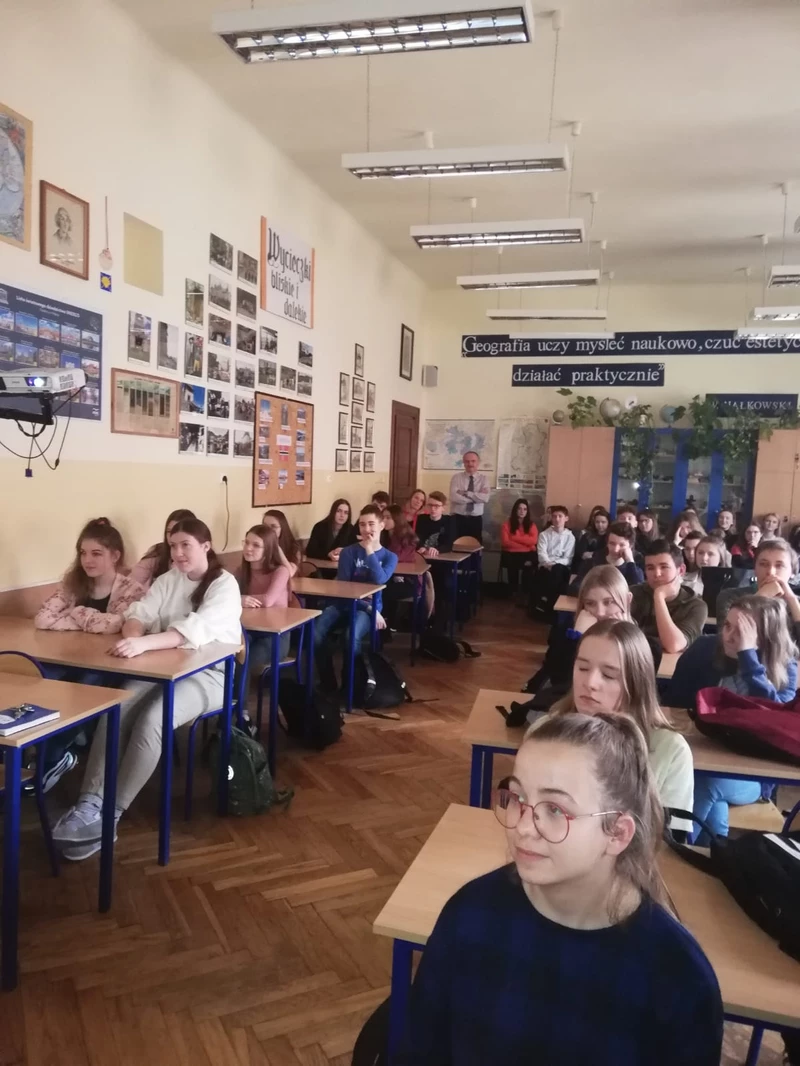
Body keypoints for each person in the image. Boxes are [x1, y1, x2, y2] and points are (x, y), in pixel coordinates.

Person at [397, 712, 721, 1066]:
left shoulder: (677, 977)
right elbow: (421, 1051)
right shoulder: (470, 915)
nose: (523, 827)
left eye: (554, 809)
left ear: (617, 833)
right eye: (517, 798)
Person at [52, 518, 242, 861]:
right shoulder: (169, 579)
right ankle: (90, 802)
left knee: (154, 719)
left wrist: (143, 645)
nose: (178, 552)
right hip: (162, 667)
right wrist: (135, 633)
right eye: (173, 545)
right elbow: (139, 613)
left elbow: (191, 631)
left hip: (210, 675)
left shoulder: (224, 584)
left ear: (205, 546)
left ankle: (111, 814)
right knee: (118, 706)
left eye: (186, 545)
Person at [668, 597, 798, 843]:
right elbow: (675, 703)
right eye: (727, 626)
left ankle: (677, 845)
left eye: (742, 632)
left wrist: (748, 658)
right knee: (711, 803)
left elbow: (774, 716)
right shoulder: (706, 649)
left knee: (706, 784)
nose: (728, 636)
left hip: (753, 776)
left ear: (766, 637)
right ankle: (713, 852)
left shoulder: (786, 668)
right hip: (703, 755)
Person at [552, 620, 694, 826]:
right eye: (582, 668)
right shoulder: (546, 732)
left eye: (608, 675)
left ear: (636, 683)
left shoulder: (670, 751)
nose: (590, 683)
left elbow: (671, 838)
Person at [313, 505, 397, 692]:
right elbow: (344, 590)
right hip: (347, 604)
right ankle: (328, 683)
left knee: (351, 636)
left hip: (368, 607)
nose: (366, 529)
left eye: (371, 524)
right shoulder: (348, 552)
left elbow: (380, 579)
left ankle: (351, 685)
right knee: (315, 633)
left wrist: (369, 551)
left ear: (381, 526)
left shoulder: (390, 557)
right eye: (362, 525)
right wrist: (371, 610)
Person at [521, 565, 633, 704]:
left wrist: (626, 639)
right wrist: (576, 638)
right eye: (590, 603)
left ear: (627, 600)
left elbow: (633, 691)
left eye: (609, 602)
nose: (600, 612)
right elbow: (559, 680)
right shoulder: (570, 631)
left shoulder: (642, 643)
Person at [35, 517, 145, 633]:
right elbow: (42, 618)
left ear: (115, 556)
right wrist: (92, 623)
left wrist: (76, 612)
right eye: (83, 553)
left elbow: (114, 625)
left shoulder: (132, 590)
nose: (87, 560)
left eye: (96, 554)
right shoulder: (73, 583)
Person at [630, 539, 708, 653]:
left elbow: (673, 645)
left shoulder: (696, 606)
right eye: (650, 568)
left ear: (681, 571)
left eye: (664, 567)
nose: (657, 574)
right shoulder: (634, 594)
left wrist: (659, 597)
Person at [236, 523, 293, 662]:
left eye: (256, 545)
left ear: (268, 549)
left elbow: (268, 600)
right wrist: (239, 599)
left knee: (245, 661)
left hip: (275, 635)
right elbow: (227, 597)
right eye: (246, 543)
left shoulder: (281, 571)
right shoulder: (241, 571)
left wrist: (240, 599)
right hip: (248, 629)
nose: (248, 548)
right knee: (230, 657)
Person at [717, 537, 800, 629]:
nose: (771, 572)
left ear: (792, 572)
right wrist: (760, 597)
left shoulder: (796, 603)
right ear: (755, 569)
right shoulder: (730, 596)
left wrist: (792, 600)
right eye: (763, 564)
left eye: (779, 566)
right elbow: (729, 634)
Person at [131, 508, 196, 587]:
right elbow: (130, 584)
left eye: (177, 531)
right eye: (169, 531)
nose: (172, 536)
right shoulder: (157, 554)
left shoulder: (200, 561)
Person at [382, 505, 423, 629]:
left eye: (388, 517)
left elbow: (394, 559)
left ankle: (386, 625)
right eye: (382, 517)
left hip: (408, 581)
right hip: (390, 578)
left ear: (396, 519)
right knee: (378, 586)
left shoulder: (408, 538)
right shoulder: (383, 536)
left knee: (382, 590)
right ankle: (384, 625)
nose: (384, 520)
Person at [530, 505, 575, 619]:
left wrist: (554, 564)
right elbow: (541, 554)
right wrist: (548, 564)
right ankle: (548, 606)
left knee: (557, 570)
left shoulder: (570, 537)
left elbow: (568, 558)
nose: (557, 519)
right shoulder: (544, 535)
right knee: (546, 573)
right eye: (554, 516)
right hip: (545, 565)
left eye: (560, 516)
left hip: (561, 567)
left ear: (566, 518)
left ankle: (546, 602)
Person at [573, 521, 643, 589]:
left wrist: (630, 561)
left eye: (622, 545)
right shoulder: (591, 563)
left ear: (630, 546)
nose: (615, 549)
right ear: (607, 543)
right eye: (612, 543)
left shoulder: (634, 571)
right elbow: (574, 588)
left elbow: (638, 590)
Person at [500, 498, 539, 599]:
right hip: (511, 554)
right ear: (515, 510)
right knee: (512, 563)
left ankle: (525, 593)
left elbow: (533, 541)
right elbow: (505, 543)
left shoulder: (532, 525)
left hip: (527, 554)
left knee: (530, 565)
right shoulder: (506, 524)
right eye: (519, 508)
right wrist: (527, 545)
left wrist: (515, 538)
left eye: (525, 509)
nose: (522, 511)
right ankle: (513, 592)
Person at [448, 450, 490, 541]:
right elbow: (453, 497)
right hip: (458, 519)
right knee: (456, 545)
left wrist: (466, 493)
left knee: (475, 546)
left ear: (478, 462)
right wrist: (476, 498)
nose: (470, 464)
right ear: (463, 462)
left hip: (475, 520)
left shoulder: (484, 479)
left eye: (473, 461)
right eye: (467, 461)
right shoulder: (456, 477)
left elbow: (485, 498)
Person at [415, 492, 455, 558]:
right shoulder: (421, 519)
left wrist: (437, 549)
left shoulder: (449, 521)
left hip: (441, 556)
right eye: (430, 505)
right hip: (423, 555)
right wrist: (421, 547)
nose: (432, 509)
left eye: (437, 506)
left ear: (443, 507)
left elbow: (449, 545)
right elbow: (417, 538)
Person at [263, 509, 302, 576]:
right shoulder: (260, 545)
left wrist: (276, 547)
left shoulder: (294, 547)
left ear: (282, 528)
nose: (268, 530)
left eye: (273, 526)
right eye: (265, 526)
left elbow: (290, 573)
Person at [571, 508, 610, 572]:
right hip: (587, 566)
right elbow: (581, 554)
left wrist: (593, 554)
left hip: (605, 567)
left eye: (603, 522)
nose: (600, 525)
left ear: (608, 522)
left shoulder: (611, 537)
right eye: (597, 522)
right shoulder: (587, 536)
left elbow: (607, 554)